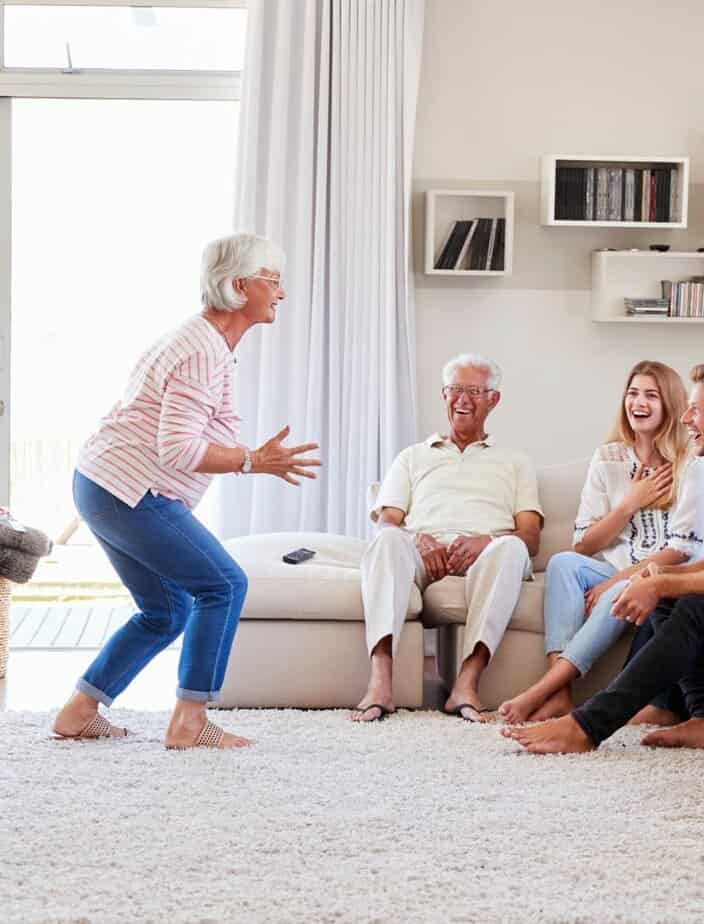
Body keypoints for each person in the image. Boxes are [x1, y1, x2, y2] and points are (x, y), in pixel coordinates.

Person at [52, 233, 321, 749]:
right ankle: (190, 720)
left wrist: (248, 457)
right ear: (241, 287)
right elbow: (178, 448)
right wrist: (251, 460)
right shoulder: (203, 351)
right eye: (274, 280)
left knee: (167, 609)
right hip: (129, 490)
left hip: (103, 483)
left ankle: (78, 711)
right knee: (223, 584)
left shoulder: (201, 340)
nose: (282, 292)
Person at [502, 361, 704, 755]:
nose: (686, 418)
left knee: (687, 608)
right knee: (669, 597)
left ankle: (588, 725)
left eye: (696, 410)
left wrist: (662, 580)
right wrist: (656, 577)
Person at [497, 361, 704, 725]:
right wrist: (630, 503)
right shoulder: (608, 457)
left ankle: (540, 690)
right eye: (632, 393)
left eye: (650, 395)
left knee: (619, 590)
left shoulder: (693, 461)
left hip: (667, 573)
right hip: (617, 566)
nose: (638, 403)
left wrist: (616, 581)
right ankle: (561, 694)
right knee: (563, 564)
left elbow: (683, 548)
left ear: (671, 404)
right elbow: (583, 543)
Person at [354, 354, 543, 723]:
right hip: (424, 553)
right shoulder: (412, 457)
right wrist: (417, 538)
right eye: (455, 390)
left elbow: (530, 537)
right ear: (444, 395)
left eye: (474, 391)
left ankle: (466, 684)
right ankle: (380, 683)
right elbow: (387, 522)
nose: (463, 400)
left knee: (511, 547)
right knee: (387, 541)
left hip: (486, 558)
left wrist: (487, 541)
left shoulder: (515, 462)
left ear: (494, 400)